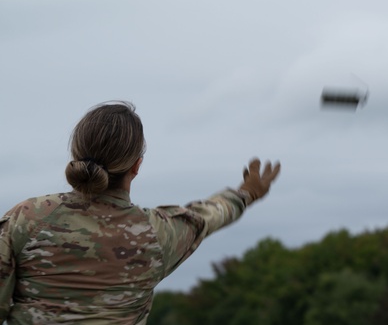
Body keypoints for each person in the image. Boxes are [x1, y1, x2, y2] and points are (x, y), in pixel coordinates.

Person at [0, 101, 281, 324]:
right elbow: (210, 215)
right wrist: (247, 193)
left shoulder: (27, 219)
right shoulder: (156, 234)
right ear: (136, 165)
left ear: (75, 156)